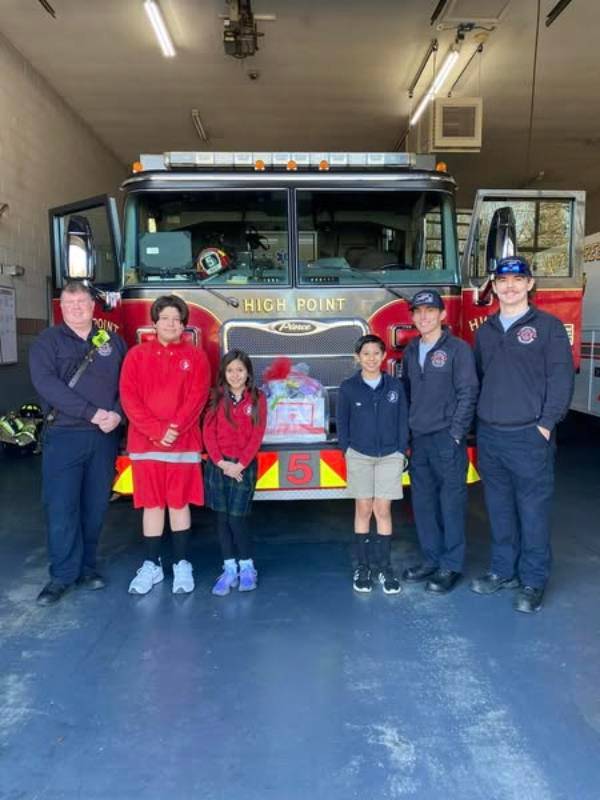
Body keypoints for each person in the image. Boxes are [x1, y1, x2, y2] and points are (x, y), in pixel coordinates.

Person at [470, 256, 575, 613]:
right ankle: (503, 571)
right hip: (491, 436)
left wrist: (545, 424)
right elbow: (481, 379)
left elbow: (561, 381)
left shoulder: (548, 327)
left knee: (532, 512)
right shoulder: (485, 331)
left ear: (530, 284)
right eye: (503, 280)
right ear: (494, 286)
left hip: (529, 437)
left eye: (518, 280)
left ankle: (533, 580)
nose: (510, 286)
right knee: (498, 510)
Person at [29, 281, 126, 605]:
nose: (76, 309)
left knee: (95, 506)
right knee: (61, 507)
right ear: (62, 308)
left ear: (92, 305)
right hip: (64, 436)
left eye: (82, 302)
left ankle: (86, 568)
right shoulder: (47, 342)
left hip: (103, 437)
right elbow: (47, 385)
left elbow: (129, 383)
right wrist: (92, 412)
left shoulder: (112, 340)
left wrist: (118, 413)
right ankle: (61, 576)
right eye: (69, 304)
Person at [119, 295, 210, 595]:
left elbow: (197, 398)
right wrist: (157, 431)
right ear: (154, 322)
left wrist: (174, 430)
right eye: (165, 318)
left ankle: (182, 564)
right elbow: (129, 398)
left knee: (179, 503)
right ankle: (152, 565)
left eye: (177, 319)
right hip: (146, 445)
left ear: (184, 325)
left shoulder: (196, 356)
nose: (171, 323)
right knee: (152, 504)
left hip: (183, 444)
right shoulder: (136, 356)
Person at [401, 290, 479, 593]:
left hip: (448, 438)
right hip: (419, 439)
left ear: (442, 315)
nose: (423, 316)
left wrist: (456, 433)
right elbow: (408, 394)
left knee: (451, 504)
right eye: (418, 311)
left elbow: (468, 393)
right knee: (423, 504)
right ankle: (431, 560)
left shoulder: (458, 349)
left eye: (430, 311)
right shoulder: (410, 351)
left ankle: (451, 565)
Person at [337, 334, 409, 594]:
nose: (371, 358)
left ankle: (385, 567)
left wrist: (401, 450)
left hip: (390, 455)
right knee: (364, 507)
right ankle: (363, 566)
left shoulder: (394, 387)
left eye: (376, 353)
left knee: (382, 509)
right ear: (358, 357)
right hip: (359, 455)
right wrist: (346, 449)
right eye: (365, 353)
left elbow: (403, 421)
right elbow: (342, 424)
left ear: (384, 356)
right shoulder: (348, 388)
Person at [203, 349, 267, 595]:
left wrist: (240, 464)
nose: (235, 375)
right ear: (224, 373)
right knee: (221, 518)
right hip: (219, 466)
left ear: (248, 372)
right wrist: (221, 463)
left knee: (237, 518)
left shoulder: (257, 398)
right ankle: (229, 568)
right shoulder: (216, 397)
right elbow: (208, 433)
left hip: (243, 466)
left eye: (240, 370)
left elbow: (257, 433)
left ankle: (247, 567)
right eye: (230, 370)